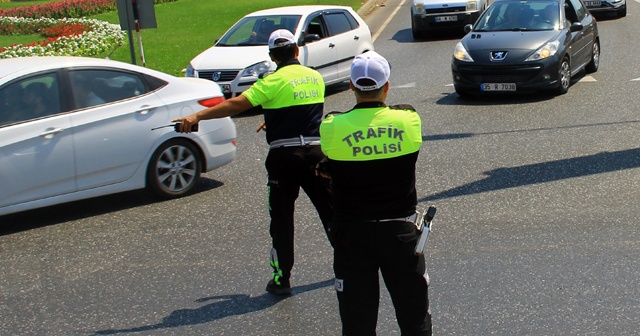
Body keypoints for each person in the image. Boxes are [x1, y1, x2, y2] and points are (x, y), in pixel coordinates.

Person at [172, 29, 332, 296]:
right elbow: (305, 109)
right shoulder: (315, 77)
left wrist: (198, 116)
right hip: (316, 155)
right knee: (331, 212)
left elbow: (237, 104)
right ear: (296, 51)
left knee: (282, 220)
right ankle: (349, 265)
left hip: (284, 158)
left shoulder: (271, 82)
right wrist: (276, 120)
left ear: (272, 56)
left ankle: (281, 279)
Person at [318, 51, 432, 335]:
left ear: (351, 87)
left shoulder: (332, 126)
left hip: (352, 236)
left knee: (357, 323)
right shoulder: (408, 120)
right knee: (414, 317)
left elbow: (332, 158)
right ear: (388, 86)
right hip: (400, 233)